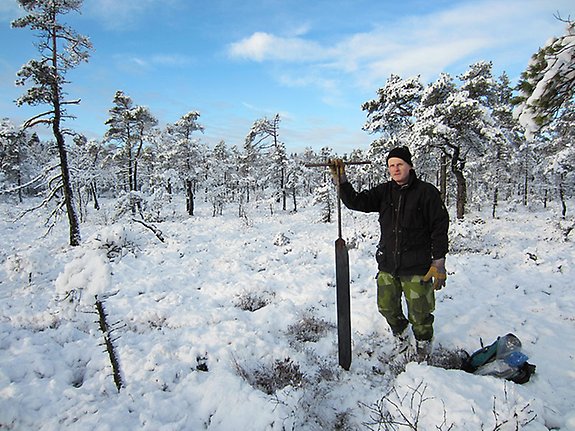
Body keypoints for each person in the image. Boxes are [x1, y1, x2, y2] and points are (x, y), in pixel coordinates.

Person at [329, 146, 449, 361]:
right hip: (388, 264)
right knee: (386, 307)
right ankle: (401, 335)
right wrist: (342, 181)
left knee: (420, 313)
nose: (395, 169)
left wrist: (438, 261)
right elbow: (356, 202)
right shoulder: (384, 192)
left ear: (410, 166)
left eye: (399, 164)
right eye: (391, 165)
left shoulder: (426, 192)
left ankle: (422, 343)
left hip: (417, 266)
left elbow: (440, 227)